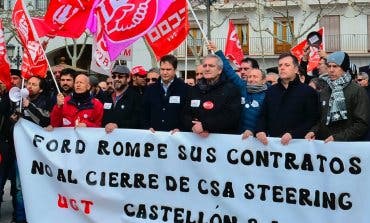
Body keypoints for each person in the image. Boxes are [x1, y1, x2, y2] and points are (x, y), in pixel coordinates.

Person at [255, 53, 320, 145]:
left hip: (297, 145)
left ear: (296, 69)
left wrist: (293, 134)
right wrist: (260, 130)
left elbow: (312, 119)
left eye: (287, 65)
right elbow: (263, 114)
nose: (282, 68)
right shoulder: (271, 90)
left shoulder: (308, 91)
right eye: (280, 65)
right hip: (273, 145)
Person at [305, 51, 370, 142]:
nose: (331, 70)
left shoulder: (357, 91)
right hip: (326, 146)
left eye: (335, 66)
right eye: (329, 66)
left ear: (344, 68)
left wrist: (338, 138)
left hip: (346, 148)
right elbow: (321, 119)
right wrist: (313, 131)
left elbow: (362, 124)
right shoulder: (325, 91)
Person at [208, 42, 267, 138]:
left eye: (255, 77)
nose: (251, 79)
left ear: (264, 80)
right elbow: (229, 70)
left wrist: (256, 131)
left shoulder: (269, 93)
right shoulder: (242, 86)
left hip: (257, 139)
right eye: (250, 77)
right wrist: (218, 52)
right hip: (238, 138)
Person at [182, 54, 241, 136]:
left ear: (219, 70)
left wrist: (205, 126)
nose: (207, 69)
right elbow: (185, 113)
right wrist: (193, 126)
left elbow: (231, 116)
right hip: (196, 140)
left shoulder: (231, 89)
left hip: (222, 141)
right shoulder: (194, 89)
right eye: (205, 66)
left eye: (211, 66)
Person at [142, 55, 187, 132]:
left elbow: (187, 113)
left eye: (168, 69)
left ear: (175, 70)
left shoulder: (184, 89)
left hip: (176, 137)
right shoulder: (150, 89)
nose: (165, 72)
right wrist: (147, 127)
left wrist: (181, 128)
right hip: (153, 136)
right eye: (162, 69)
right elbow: (144, 112)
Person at [102, 65, 142, 133]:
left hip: (125, 140)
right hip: (107, 139)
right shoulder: (107, 97)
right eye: (114, 76)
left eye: (120, 76)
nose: (116, 79)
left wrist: (117, 125)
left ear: (128, 78)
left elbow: (137, 121)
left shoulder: (136, 97)